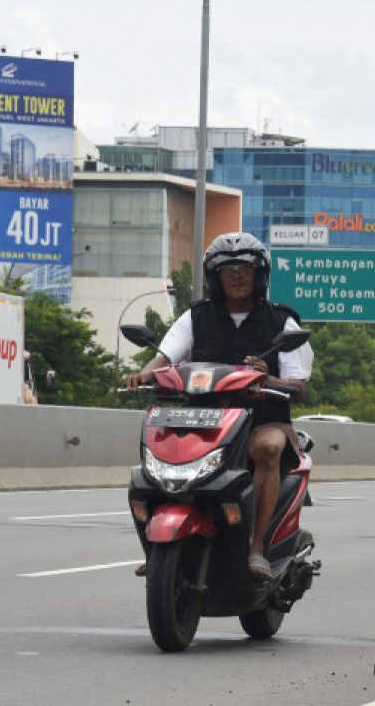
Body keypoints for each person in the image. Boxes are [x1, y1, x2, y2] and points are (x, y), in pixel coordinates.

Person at [125, 232, 313, 579]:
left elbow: (299, 387)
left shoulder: (282, 321)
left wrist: (268, 378)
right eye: (228, 270)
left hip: (262, 421)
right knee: (150, 466)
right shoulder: (195, 318)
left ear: (259, 275)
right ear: (216, 277)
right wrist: (143, 375)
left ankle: (257, 549)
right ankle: (157, 551)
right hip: (203, 421)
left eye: (244, 268)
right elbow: (164, 357)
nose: (237, 276)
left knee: (269, 449)